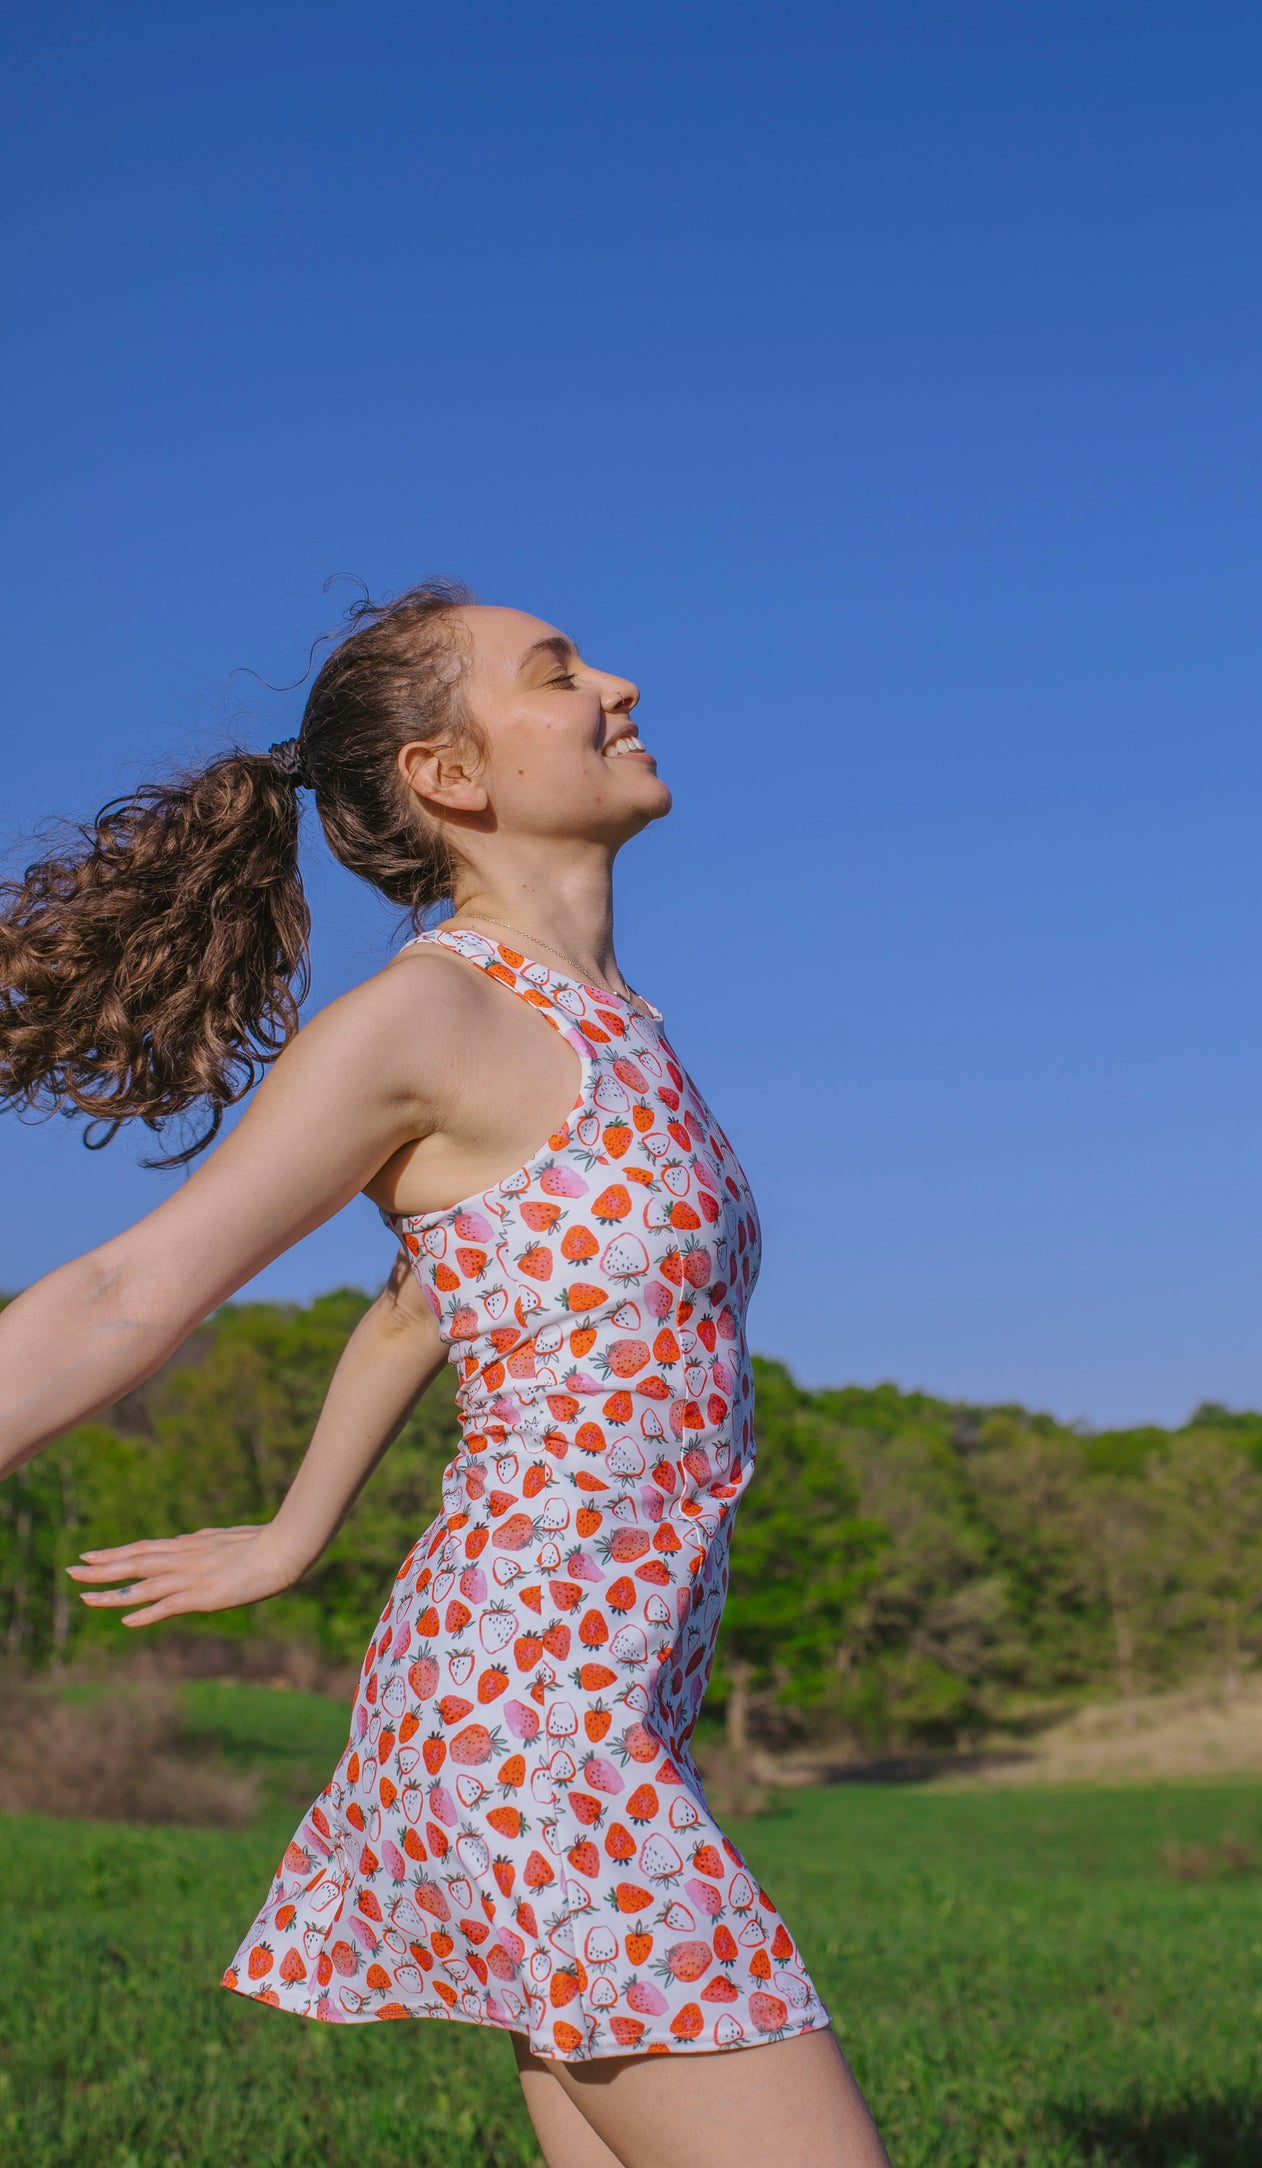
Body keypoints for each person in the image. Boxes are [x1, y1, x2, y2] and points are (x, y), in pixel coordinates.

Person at [0, 583, 891, 2168]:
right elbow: (135, 1283)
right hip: (535, 1726)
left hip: (597, 1707)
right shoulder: (424, 1015)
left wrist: (293, 1534)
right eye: (556, 673)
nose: (616, 681)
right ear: (449, 776)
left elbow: (421, 1307)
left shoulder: (612, 1025)